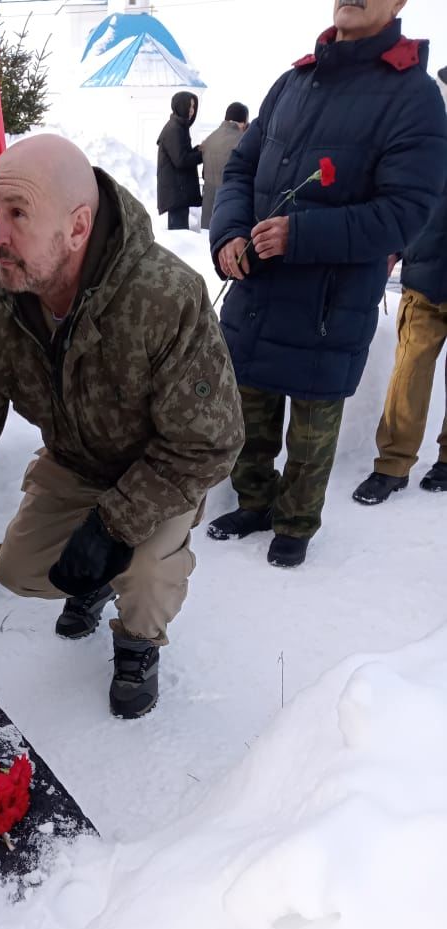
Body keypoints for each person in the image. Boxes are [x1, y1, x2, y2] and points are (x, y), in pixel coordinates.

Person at [0, 134, 244, 719]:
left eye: (18, 214)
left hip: (161, 471)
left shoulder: (164, 298)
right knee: (18, 570)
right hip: (78, 461)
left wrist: (114, 525)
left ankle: (137, 642)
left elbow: (209, 442)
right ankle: (99, 578)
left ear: (77, 227)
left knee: (148, 572)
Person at [207, 0, 447, 568]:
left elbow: (404, 212)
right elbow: (241, 169)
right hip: (258, 290)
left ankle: (295, 523)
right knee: (249, 411)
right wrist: (229, 234)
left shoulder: (413, 96)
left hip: (328, 305)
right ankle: (254, 503)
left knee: (311, 431)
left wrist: (302, 234)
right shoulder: (294, 81)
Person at [353, 65, 447, 503]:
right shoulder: (426, 130)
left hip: (426, 262)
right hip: (426, 272)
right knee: (409, 370)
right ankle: (392, 464)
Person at [156, 91, 202, 230]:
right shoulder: (174, 129)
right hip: (176, 192)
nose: (192, 111)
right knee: (179, 232)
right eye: (189, 106)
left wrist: (197, 150)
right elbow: (181, 160)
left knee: (180, 229)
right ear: (181, 106)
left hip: (179, 191)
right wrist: (201, 155)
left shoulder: (180, 127)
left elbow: (182, 154)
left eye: (194, 107)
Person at [200, 103, 249, 231]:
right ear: (243, 121)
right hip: (228, 203)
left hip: (208, 203)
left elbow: (204, 172)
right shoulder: (243, 140)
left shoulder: (211, 137)